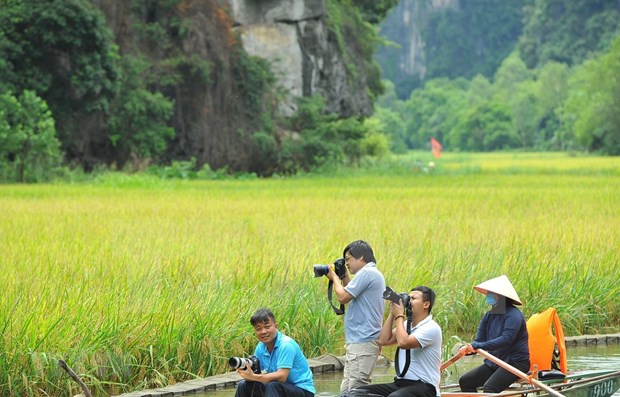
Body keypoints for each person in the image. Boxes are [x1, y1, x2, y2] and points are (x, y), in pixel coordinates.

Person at [345, 285, 442, 397]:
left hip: (425, 387)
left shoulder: (431, 328)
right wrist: (393, 312)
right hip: (402, 384)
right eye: (408, 298)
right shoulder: (406, 325)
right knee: (355, 393)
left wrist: (399, 315)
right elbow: (383, 340)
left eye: (413, 299)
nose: (409, 301)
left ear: (426, 304)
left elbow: (403, 343)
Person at [326, 240, 386, 393]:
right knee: (346, 390)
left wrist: (333, 277)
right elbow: (351, 291)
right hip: (360, 341)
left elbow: (343, 297)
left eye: (348, 259)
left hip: (363, 341)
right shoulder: (370, 274)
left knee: (356, 390)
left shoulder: (367, 272)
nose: (346, 263)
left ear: (360, 257)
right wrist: (343, 276)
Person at [458, 275, 530, 393]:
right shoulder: (488, 316)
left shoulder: (514, 315)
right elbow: (479, 340)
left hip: (515, 363)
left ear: (502, 296)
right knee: (465, 382)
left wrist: (478, 346)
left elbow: (507, 339)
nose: (488, 296)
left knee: (490, 388)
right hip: (495, 362)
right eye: (488, 293)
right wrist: (468, 348)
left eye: (492, 293)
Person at [234, 308, 315, 397]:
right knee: (243, 385)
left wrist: (253, 376)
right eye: (258, 329)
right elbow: (256, 375)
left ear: (276, 326)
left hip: (302, 391)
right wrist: (247, 374)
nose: (263, 332)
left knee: (272, 385)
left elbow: (282, 377)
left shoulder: (286, 345)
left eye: (267, 327)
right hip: (278, 388)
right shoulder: (260, 347)